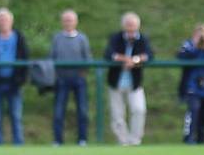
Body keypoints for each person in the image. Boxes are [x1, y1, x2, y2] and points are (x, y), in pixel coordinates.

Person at [104, 12, 154, 146]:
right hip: (116, 81)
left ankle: (135, 140)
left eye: (133, 25)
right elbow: (109, 54)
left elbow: (149, 55)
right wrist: (124, 59)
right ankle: (122, 140)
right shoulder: (116, 38)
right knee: (117, 114)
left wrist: (135, 61)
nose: (130, 28)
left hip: (134, 83)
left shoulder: (143, 39)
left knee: (139, 109)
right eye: (128, 25)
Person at [0, 8, 29, 146]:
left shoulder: (19, 37)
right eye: (0, 19)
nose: (3, 22)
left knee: (16, 115)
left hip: (15, 82)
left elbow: (25, 58)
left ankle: (18, 143)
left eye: (6, 19)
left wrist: (22, 79)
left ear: (11, 21)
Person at [51, 9, 92, 146]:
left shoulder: (82, 38)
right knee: (58, 111)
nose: (68, 23)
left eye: (71, 20)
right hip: (61, 79)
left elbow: (88, 59)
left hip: (79, 80)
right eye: (66, 20)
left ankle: (82, 139)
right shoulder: (57, 38)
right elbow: (51, 58)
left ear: (76, 22)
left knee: (82, 110)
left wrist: (83, 72)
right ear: (62, 22)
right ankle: (57, 140)